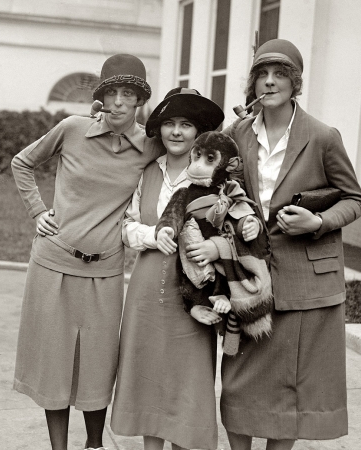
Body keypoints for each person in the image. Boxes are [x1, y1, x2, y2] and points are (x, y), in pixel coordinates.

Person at [214, 39, 361, 450]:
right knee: (237, 384)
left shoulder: (322, 136)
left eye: (280, 74)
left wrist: (317, 221)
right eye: (262, 74)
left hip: (307, 280)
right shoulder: (238, 133)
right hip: (250, 279)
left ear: (294, 83)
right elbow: (216, 183)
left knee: (293, 389)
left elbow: (354, 200)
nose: (269, 82)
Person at [11, 54, 163, 450]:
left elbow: (193, 142)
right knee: (53, 363)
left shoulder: (150, 145)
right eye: (110, 92)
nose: (117, 102)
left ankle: (94, 445)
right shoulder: (72, 129)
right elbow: (22, 162)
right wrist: (38, 211)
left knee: (97, 364)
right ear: (100, 97)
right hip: (52, 263)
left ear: (139, 101)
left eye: (127, 94)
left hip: (105, 270)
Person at [110, 87, 258, 450]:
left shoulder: (213, 177)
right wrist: (151, 235)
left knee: (188, 375)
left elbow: (236, 230)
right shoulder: (146, 172)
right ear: (159, 129)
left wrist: (214, 247)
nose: (176, 132)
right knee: (147, 373)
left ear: (199, 133)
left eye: (186, 125)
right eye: (170, 124)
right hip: (147, 283)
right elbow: (125, 225)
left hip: (198, 286)